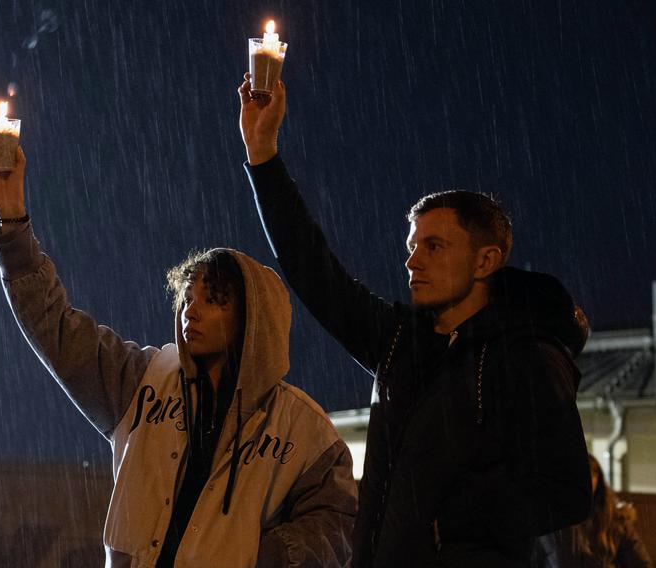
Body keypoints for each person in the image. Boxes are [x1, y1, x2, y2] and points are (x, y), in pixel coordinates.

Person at [237, 77, 592, 566]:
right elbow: (314, 271)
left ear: (485, 260)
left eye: (434, 246)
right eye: (411, 247)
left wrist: (454, 522)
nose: (413, 261)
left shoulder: (527, 355)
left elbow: (566, 490)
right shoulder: (399, 341)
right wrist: (263, 153)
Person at [0, 141, 357, 567]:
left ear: (254, 319)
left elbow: (338, 521)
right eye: (186, 297)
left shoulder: (304, 430)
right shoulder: (141, 381)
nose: (190, 310)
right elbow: (56, 328)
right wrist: (12, 220)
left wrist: (271, 555)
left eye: (213, 299)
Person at [534, 454, 654, 567]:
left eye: (590, 475)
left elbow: (642, 563)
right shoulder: (549, 522)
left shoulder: (615, 522)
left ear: (597, 480)